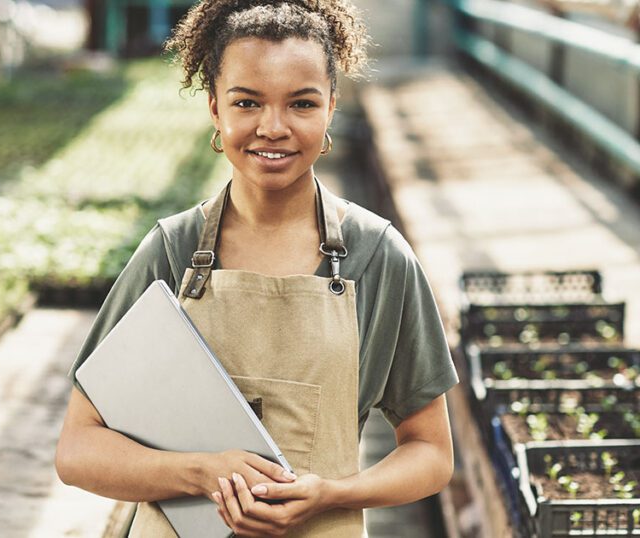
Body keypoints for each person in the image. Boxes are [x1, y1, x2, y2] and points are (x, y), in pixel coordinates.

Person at [54, 0, 458, 535]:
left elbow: (431, 452)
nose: (273, 127)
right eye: (247, 102)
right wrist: (198, 473)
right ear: (215, 110)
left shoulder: (377, 258)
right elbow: (78, 448)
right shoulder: (170, 253)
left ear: (331, 107)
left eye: (302, 104)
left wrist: (331, 493)